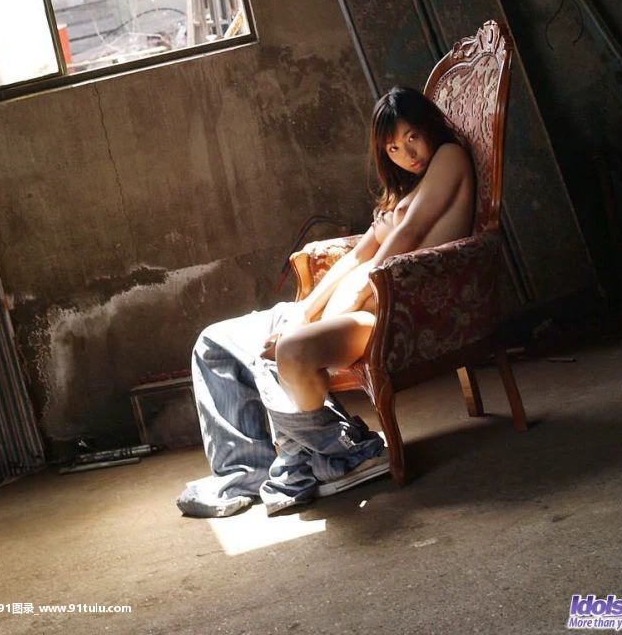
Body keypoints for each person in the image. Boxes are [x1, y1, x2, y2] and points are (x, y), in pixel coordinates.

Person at [177, 87, 474, 519]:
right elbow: (355, 255)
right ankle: (248, 473)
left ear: (428, 126)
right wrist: (303, 312)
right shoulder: (404, 190)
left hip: (385, 314)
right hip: (346, 309)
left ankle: (344, 453)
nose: (407, 154)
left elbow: (410, 234)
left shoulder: (449, 156)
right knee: (213, 341)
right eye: (393, 148)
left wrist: (355, 293)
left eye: (412, 136)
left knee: (285, 351)